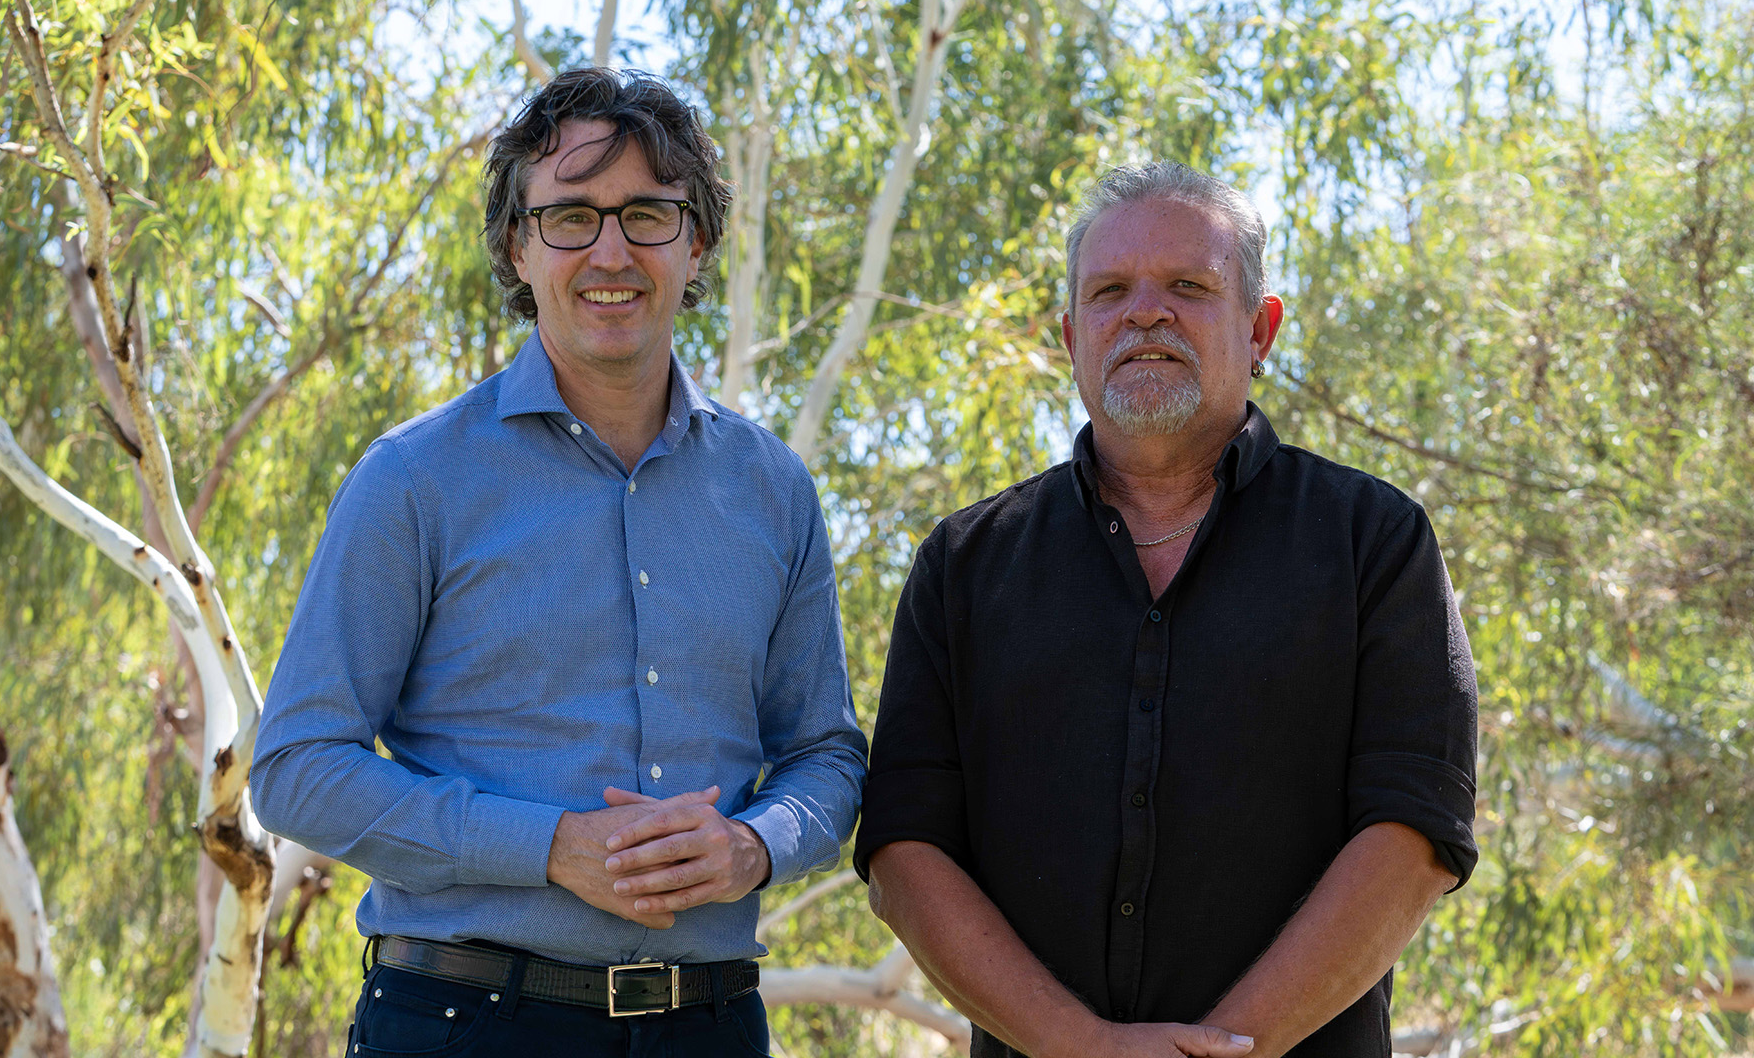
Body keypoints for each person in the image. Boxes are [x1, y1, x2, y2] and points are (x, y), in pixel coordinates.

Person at [251, 68, 866, 1057]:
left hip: (711, 1028)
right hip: (462, 1027)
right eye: (571, 216)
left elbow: (827, 760)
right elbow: (296, 770)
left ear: (697, 239)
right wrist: (545, 849)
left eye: (648, 215)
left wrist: (753, 846)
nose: (611, 250)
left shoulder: (773, 489)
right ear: (517, 246)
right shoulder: (415, 479)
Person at [855, 162, 1478, 1058]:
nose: (1145, 311)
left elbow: (1414, 833)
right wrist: (1078, 1046)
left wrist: (1224, 1051)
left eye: (1188, 286)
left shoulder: (1374, 543)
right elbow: (905, 854)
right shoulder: (964, 565)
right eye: (1110, 291)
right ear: (1072, 335)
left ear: (1259, 329)